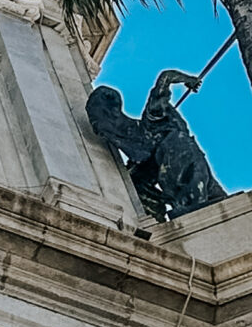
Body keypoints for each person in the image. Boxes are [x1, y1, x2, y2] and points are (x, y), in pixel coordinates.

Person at [85, 67, 225, 222]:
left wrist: (188, 80)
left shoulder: (150, 123)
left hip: (185, 159)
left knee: (218, 203)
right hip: (185, 163)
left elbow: (165, 78)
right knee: (214, 203)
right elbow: (165, 77)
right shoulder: (151, 124)